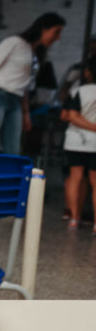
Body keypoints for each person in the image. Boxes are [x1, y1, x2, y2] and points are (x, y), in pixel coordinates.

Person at [0, 12, 66, 154]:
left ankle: (12, 176)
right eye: (56, 32)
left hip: (15, 99)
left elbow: (25, 86)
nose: (58, 37)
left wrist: (26, 113)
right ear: (44, 28)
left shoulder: (34, 53)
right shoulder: (15, 42)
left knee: (13, 148)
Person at [61, 56, 96, 234]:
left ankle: (74, 218)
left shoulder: (81, 91)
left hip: (76, 141)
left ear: (88, 72)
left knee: (75, 177)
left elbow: (71, 116)